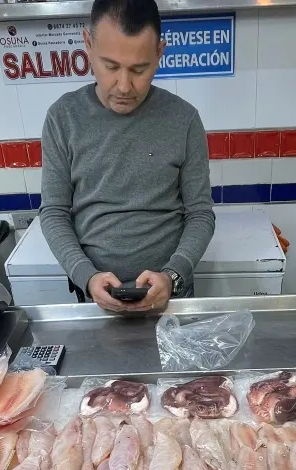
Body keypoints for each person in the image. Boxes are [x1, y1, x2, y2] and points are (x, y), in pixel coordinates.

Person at [40, 0, 215, 313]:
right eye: (110, 67)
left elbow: (200, 213)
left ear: (159, 53)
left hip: (171, 300)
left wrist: (172, 274)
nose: (123, 86)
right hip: (94, 301)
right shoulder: (62, 118)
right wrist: (86, 275)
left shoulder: (184, 119)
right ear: (88, 46)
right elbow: (53, 212)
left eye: (139, 69)